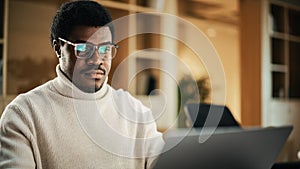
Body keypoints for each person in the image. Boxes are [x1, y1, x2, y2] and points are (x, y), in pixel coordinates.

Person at [0, 1, 164, 168]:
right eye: (83, 48)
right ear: (58, 48)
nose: (96, 60)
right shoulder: (23, 115)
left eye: (104, 49)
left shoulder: (136, 112)